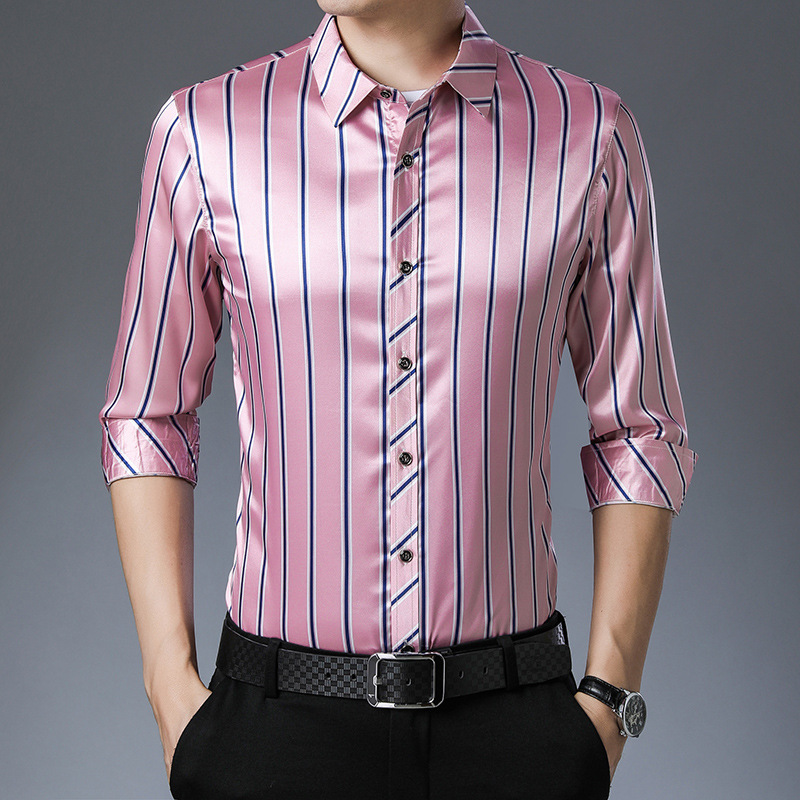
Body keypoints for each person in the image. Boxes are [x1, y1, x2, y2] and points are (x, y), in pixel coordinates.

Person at [98, 1, 698, 798]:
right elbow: (146, 413)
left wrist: (608, 699)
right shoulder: (206, 133)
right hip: (273, 734)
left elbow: (640, 429)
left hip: (514, 738)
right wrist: (170, 688)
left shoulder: (588, 134)